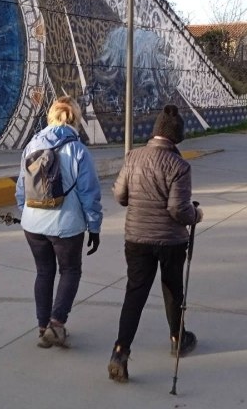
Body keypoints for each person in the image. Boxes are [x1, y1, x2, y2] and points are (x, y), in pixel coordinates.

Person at [108, 104, 203, 383]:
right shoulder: (180, 166)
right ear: (176, 136)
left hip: (136, 237)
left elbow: (120, 196)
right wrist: (195, 214)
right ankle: (177, 338)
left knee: (135, 293)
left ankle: (120, 351)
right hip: (171, 241)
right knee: (173, 288)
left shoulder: (133, 157)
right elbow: (177, 209)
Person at [15, 96, 103, 349]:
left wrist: (28, 213)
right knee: (70, 270)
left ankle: (43, 326)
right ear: (75, 119)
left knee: (44, 272)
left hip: (33, 224)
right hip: (66, 225)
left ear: (51, 116)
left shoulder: (31, 145)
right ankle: (56, 324)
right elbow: (89, 193)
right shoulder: (78, 150)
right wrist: (94, 227)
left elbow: (21, 187)